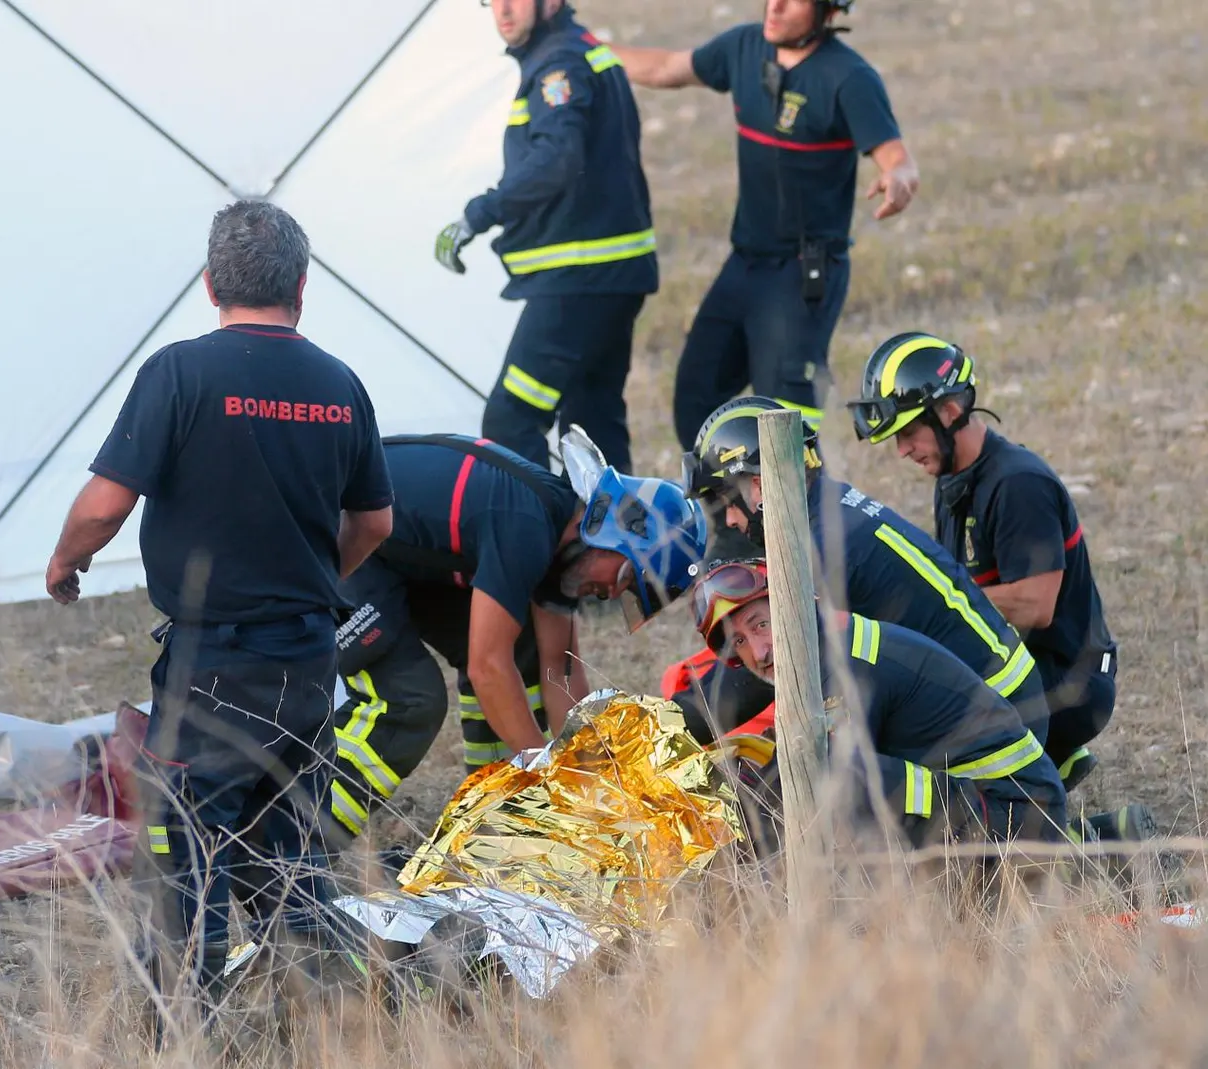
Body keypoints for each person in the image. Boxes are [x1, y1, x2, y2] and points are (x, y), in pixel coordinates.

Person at [44, 200, 395, 1034]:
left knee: (186, 858)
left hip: (212, 666)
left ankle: (181, 1035)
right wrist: (310, 580)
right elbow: (375, 522)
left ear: (210, 284)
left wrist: (66, 561)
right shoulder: (340, 384)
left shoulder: (179, 373)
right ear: (301, 287)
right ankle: (340, 1026)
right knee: (293, 863)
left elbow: (105, 505)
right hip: (308, 662)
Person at [323, 431, 706, 844]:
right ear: (616, 532)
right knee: (411, 699)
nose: (612, 594)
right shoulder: (526, 527)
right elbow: (487, 668)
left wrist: (589, 776)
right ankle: (298, 842)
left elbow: (559, 671)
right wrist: (545, 778)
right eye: (626, 578)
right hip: (335, 538)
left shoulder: (562, 535)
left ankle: (494, 806)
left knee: (523, 651)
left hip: (398, 554)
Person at [681, 396, 1057, 767]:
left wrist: (669, 724)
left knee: (821, 773)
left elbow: (768, 667)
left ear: (760, 485)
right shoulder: (828, 508)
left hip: (993, 727)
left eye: (727, 501)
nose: (729, 520)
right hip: (1006, 697)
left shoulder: (817, 549)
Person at [611, 0, 919, 449]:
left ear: (828, 11)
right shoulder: (742, 47)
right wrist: (590, 49)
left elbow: (898, 158)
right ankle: (731, 496)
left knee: (785, 426)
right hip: (745, 264)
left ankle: (804, 497)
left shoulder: (849, 78)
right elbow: (665, 68)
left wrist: (898, 180)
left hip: (802, 274)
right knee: (696, 401)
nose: (774, 7)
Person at [845, 331, 1119, 789]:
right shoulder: (953, 480)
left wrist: (933, 604)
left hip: (1072, 686)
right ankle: (1047, 768)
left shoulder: (1018, 484)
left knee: (913, 719)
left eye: (909, 433)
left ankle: (1030, 788)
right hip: (1027, 670)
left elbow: (1035, 605)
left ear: (950, 411)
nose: (902, 450)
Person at [690, 559, 1068, 847]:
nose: (759, 652)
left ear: (794, 606)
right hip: (992, 805)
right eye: (739, 641)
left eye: (760, 624)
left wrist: (743, 835)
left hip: (1020, 822)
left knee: (835, 771)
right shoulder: (825, 651)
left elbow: (820, 780)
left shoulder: (844, 667)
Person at [433, 0, 658, 474]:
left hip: (578, 278)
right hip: (611, 276)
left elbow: (557, 157)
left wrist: (479, 213)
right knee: (592, 427)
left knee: (511, 419)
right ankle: (618, 525)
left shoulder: (560, 65)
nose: (502, 10)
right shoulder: (581, 50)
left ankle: (535, 525)